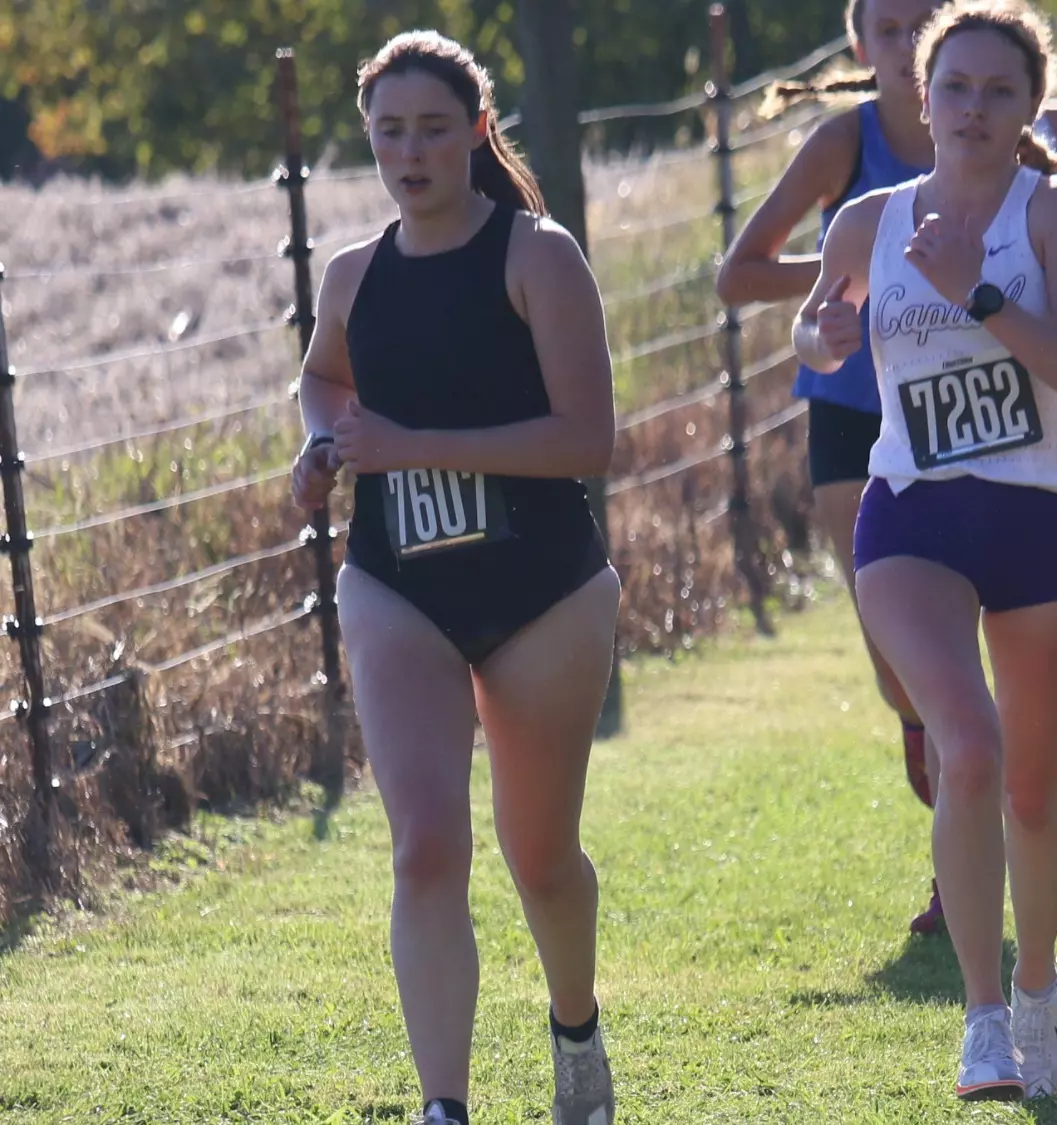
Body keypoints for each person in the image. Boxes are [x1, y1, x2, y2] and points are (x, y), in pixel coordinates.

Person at [793, 0, 1057, 1100]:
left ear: (1028, 106)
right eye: (955, 88)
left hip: (1042, 517)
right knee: (965, 749)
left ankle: (1038, 990)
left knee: (1030, 792)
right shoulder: (870, 221)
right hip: (913, 514)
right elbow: (810, 322)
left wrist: (974, 294)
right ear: (919, 98)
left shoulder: (1056, 219)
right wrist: (825, 335)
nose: (973, 109)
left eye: (998, 92)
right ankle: (982, 1018)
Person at [289, 31, 620, 1125]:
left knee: (542, 860)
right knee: (426, 844)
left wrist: (414, 444)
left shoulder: (537, 255)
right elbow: (325, 381)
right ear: (370, 138)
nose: (410, 151)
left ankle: (575, 1028)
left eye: (434, 128)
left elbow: (587, 440)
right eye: (390, 131)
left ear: (477, 132)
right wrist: (323, 450)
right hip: (397, 584)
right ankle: (444, 1107)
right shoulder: (351, 275)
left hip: (543, 593)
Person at [716, 0, 950, 936]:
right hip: (854, 415)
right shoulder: (842, 143)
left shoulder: (997, 120)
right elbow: (740, 274)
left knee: (957, 657)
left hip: (964, 421)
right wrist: (857, 266)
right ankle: (950, 799)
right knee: (901, 664)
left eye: (921, 23)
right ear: (861, 46)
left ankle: (961, 868)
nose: (904, 45)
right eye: (886, 29)